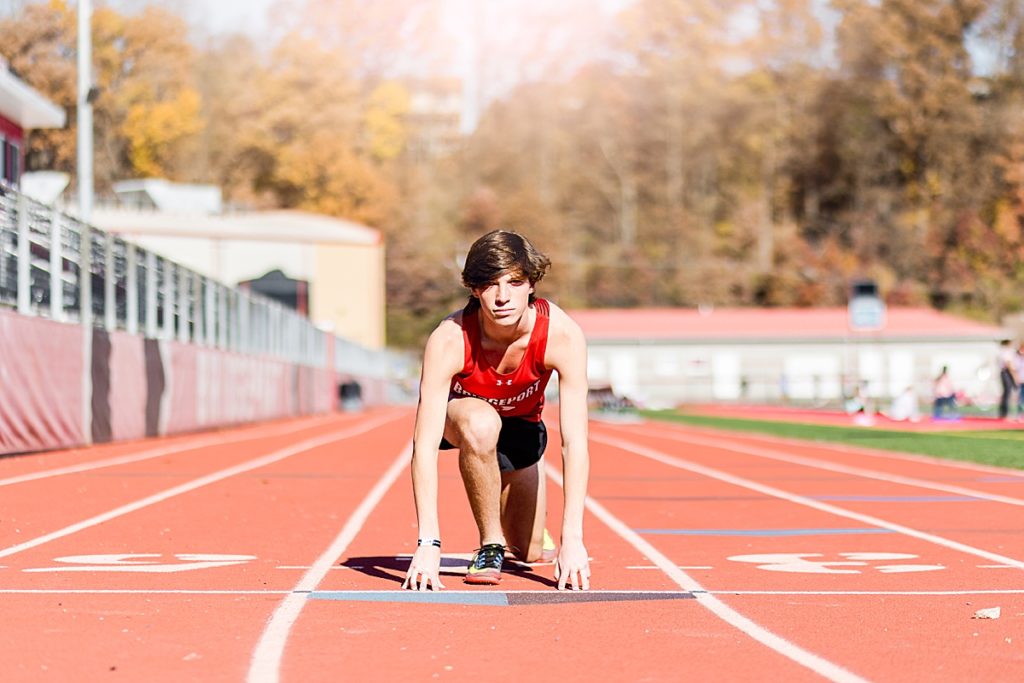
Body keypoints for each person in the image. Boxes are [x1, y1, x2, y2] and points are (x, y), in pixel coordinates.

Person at [402, 230, 591, 591]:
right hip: (465, 419)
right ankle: (490, 544)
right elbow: (423, 445)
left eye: (514, 283)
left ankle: (528, 528)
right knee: (481, 423)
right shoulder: (450, 338)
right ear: (474, 289)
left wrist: (574, 537)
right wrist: (428, 542)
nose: (503, 297)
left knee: (531, 551)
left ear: (531, 284)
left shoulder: (562, 336)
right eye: (490, 285)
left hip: (522, 427)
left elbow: (575, 442)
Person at [996, 339, 1019, 420]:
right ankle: (1005, 414)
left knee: (1006, 393)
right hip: (1007, 373)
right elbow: (1009, 364)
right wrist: (1014, 376)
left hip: (1005, 372)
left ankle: (1004, 413)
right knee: (1008, 393)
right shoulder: (1006, 352)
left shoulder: (1003, 352)